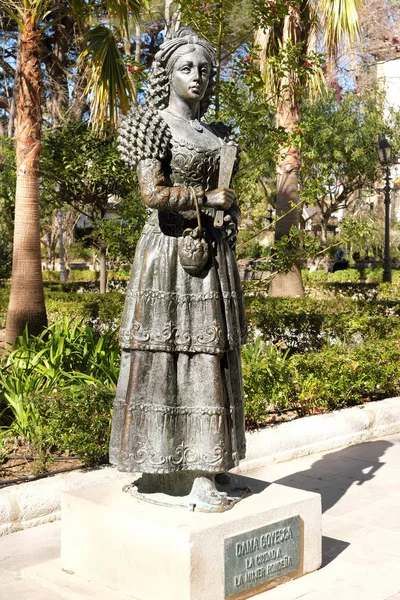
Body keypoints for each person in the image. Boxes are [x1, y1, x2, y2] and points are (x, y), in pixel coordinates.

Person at [110, 28, 248, 511]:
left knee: (209, 357)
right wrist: (205, 198)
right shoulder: (155, 124)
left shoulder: (218, 134)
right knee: (165, 358)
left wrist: (228, 208)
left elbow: (224, 196)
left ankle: (207, 466)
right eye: (187, 68)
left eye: (206, 70)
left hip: (210, 255)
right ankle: (164, 472)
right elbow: (152, 194)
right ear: (167, 74)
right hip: (167, 255)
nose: (198, 77)